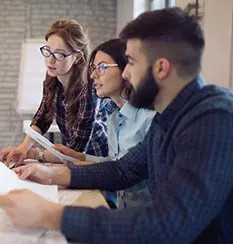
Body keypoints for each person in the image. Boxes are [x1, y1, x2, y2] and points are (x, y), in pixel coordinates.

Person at [0, 7, 233, 243]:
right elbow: (123, 170)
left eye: (130, 62)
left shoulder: (214, 118)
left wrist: (51, 215)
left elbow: (168, 225)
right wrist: (49, 174)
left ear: (161, 68)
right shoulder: (168, 116)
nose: (126, 74)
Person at [24, 38, 155, 208]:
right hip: (123, 211)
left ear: (127, 69)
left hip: (148, 219)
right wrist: (80, 157)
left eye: (101, 67)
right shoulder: (115, 118)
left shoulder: (151, 120)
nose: (93, 75)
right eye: (93, 68)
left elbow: (123, 172)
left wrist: (54, 174)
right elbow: (115, 163)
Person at [0, 19, 108, 165]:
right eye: (48, 51)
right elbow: (43, 116)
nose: (50, 60)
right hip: (69, 160)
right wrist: (23, 148)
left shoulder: (88, 90)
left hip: (94, 162)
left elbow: (75, 150)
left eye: (59, 55)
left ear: (77, 57)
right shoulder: (53, 78)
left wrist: (35, 154)